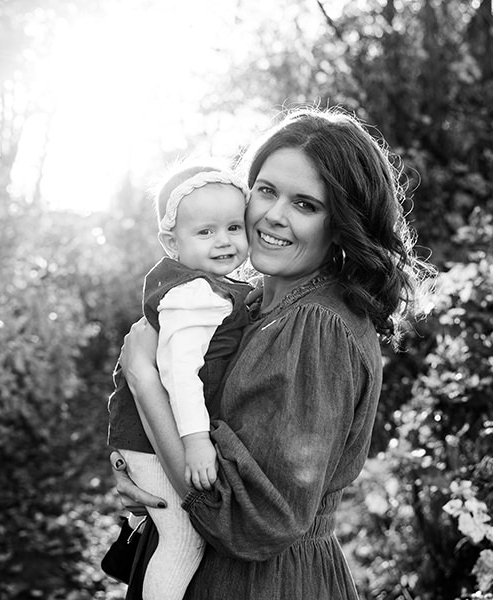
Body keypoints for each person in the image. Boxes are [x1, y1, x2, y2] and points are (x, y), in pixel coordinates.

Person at [110, 106, 434, 600]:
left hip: (261, 585)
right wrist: (144, 472)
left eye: (305, 204)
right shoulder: (252, 303)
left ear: (341, 222)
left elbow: (248, 520)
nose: (273, 216)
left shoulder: (315, 328)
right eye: (265, 190)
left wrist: (143, 380)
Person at [106, 163, 252, 600]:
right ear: (172, 243)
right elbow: (179, 374)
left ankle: (138, 526)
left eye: (233, 226)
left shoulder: (209, 285)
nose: (224, 240)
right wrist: (195, 442)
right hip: (156, 437)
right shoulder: (193, 294)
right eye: (205, 232)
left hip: (147, 434)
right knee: (184, 539)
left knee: (172, 531)